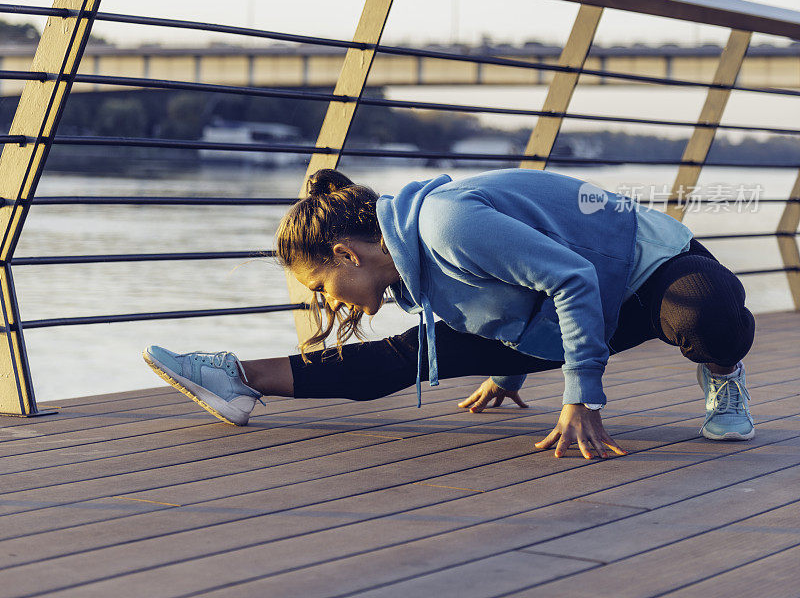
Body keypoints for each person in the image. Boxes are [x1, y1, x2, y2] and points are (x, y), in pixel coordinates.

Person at [144, 167, 756, 459]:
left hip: (644, 269)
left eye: (322, 285)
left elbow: (574, 275)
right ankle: (237, 378)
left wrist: (582, 398)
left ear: (345, 252)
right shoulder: (414, 267)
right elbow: (521, 286)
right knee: (399, 359)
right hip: (581, 301)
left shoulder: (445, 223)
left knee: (704, 314)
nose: (326, 302)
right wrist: (512, 362)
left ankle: (724, 374)